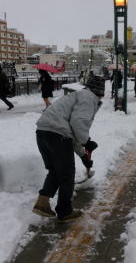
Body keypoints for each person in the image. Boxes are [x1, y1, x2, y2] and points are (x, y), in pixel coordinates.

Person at [32, 74, 105, 223]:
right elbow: (78, 124)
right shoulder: (89, 98)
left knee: (55, 171)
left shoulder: (79, 96)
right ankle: (65, 212)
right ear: (100, 92)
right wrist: (87, 142)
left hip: (43, 132)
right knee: (66, 175)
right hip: (57, 135)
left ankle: (42, 203)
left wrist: (83, 155)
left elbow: (72, 131)